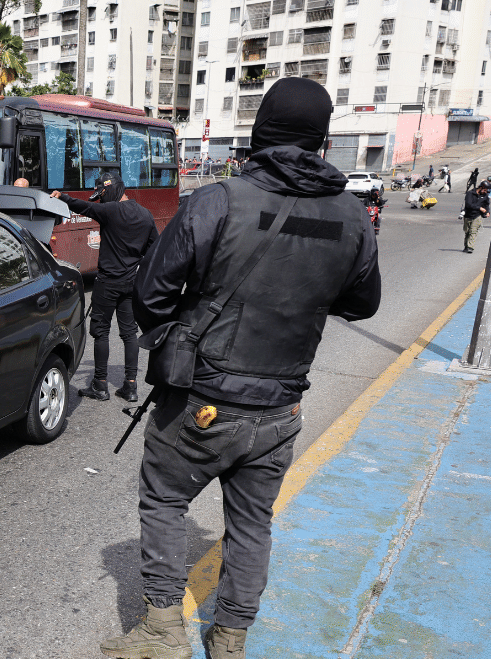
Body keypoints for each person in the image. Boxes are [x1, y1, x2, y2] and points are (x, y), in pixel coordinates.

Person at [103, 78, 381, 659]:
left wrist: (184, 329)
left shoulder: (218, 200)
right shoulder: (353, 216)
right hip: (281, 409)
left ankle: (162, 630)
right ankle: (229, 639)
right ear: (323, 141)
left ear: (259, 134)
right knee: (252, 523)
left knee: (164, 499)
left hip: (203, 399)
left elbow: (151, 293)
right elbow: (362, 304)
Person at [51, 173, 157, 403]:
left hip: (108, 283)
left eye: (103, 196)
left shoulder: (110, 211)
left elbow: (83, 207)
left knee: (101, 332)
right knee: (130, 333)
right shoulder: (146, 215)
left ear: (110, 190)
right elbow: (153, 252)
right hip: (131, 283)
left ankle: (100, 384)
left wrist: (63, 196)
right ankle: (130, 386)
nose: (101, 201)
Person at [464, 183, 491, 253]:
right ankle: (466, 246)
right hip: (468, 215)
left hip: (477, 216)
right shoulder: (470, 193)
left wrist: (487, 212)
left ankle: (470, 247)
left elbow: (487, 204)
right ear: (481, 187)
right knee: (467, 231)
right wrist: (479, 208)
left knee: (473, 231)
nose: (485, 192)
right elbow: (468, 204)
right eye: (485, 190)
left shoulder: (485, 195)